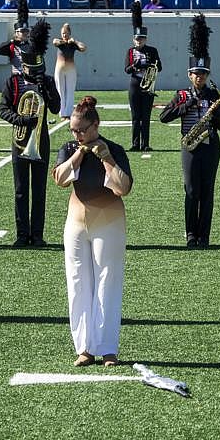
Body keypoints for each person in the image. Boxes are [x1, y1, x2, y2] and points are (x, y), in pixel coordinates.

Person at [53, 96, 132, 367]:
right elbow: (60, 179)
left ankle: (108, 348)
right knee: (77, 282)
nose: (78, 135)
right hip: (76, 222)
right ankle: (84, 348)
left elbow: (123, 187)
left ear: (96, 125)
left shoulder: (115, 149)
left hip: (109, 222)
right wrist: (79, 153)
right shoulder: (69, 148)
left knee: (107, 281)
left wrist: (106, 158)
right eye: (74, 130)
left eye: (83, 130)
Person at [159, 13, 220, 248]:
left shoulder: (217, 96)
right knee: (191, 190)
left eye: (203, 73)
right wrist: (187, 105)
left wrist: (215, 111)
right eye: (195, 73)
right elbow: (163, 117)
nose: (199, 77)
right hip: (189, 147)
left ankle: (204, 235)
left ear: (208, 75)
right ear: (189, 75)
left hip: (210, 146)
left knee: (208, 191)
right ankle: (190, 233)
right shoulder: (182, 95)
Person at [0, 21, 61, 247]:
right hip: (20, 139)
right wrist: (22, 119)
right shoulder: (13, 83)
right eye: (31, 72)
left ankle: (38, 235)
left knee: (39, 191)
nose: (34, 75)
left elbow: (56, 108)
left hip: (41, 139)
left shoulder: (47, 81)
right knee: (21, 191)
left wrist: (47, 89)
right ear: (23, 67)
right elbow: (2, 109)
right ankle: (22, 234)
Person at [124, 2, 162, 151]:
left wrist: (149, 65)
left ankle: (145, 144)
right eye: (137, 39)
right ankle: (135, 144)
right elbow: (126, 69)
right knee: (135, 117)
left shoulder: (152, 51)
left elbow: (159, 67)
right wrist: (136, 65)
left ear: (145, 39)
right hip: (134, 84)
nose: (139, 41)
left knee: (145, 117)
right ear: (134, 39)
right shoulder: (130, 52)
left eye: (141, 39)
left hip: (148, 85)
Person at [53, 23, 86, 118]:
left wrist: (74, 41)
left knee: (70, 91)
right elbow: (55, 42)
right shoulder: (59, 42)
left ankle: (69, 112)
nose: (64, 35)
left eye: (66, 33)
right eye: (63, 33)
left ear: (70, 33)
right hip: (60, 69)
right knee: (60, 91)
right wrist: (65, 42)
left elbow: (83, 48)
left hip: (71, 69)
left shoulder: (72, 44)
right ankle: (62, 113)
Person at [0, 1, 32, 75]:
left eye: (27, 31)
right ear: (16, 33)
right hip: (16, 78)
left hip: (31, 79)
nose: (25, 33)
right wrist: (12, 42)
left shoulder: (32, 46)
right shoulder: (12, 46)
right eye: (22, 31)